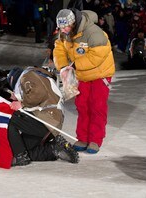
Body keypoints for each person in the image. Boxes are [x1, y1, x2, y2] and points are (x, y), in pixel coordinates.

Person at [53, 9, 115, 154]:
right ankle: (82, 137)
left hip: (100, 74)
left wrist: (74, 65)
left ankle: (95, 139)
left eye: (66, 26)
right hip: (82, 74)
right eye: (61, 28)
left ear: (73, 22)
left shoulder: (94, 33)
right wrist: (62, 66)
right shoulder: (64, 34)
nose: (64, 30)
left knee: (97, 106)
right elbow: (59, 50)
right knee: (82, 105)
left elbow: (97, 57)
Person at [7, 66, 79, 166]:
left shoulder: (26, 76)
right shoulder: (38, 75)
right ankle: (54, 150)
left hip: (45, 119)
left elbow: (38, 93)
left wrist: (22, 103)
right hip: (51, 122)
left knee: (10, 119)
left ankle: (20, 157)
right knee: (25, 149)